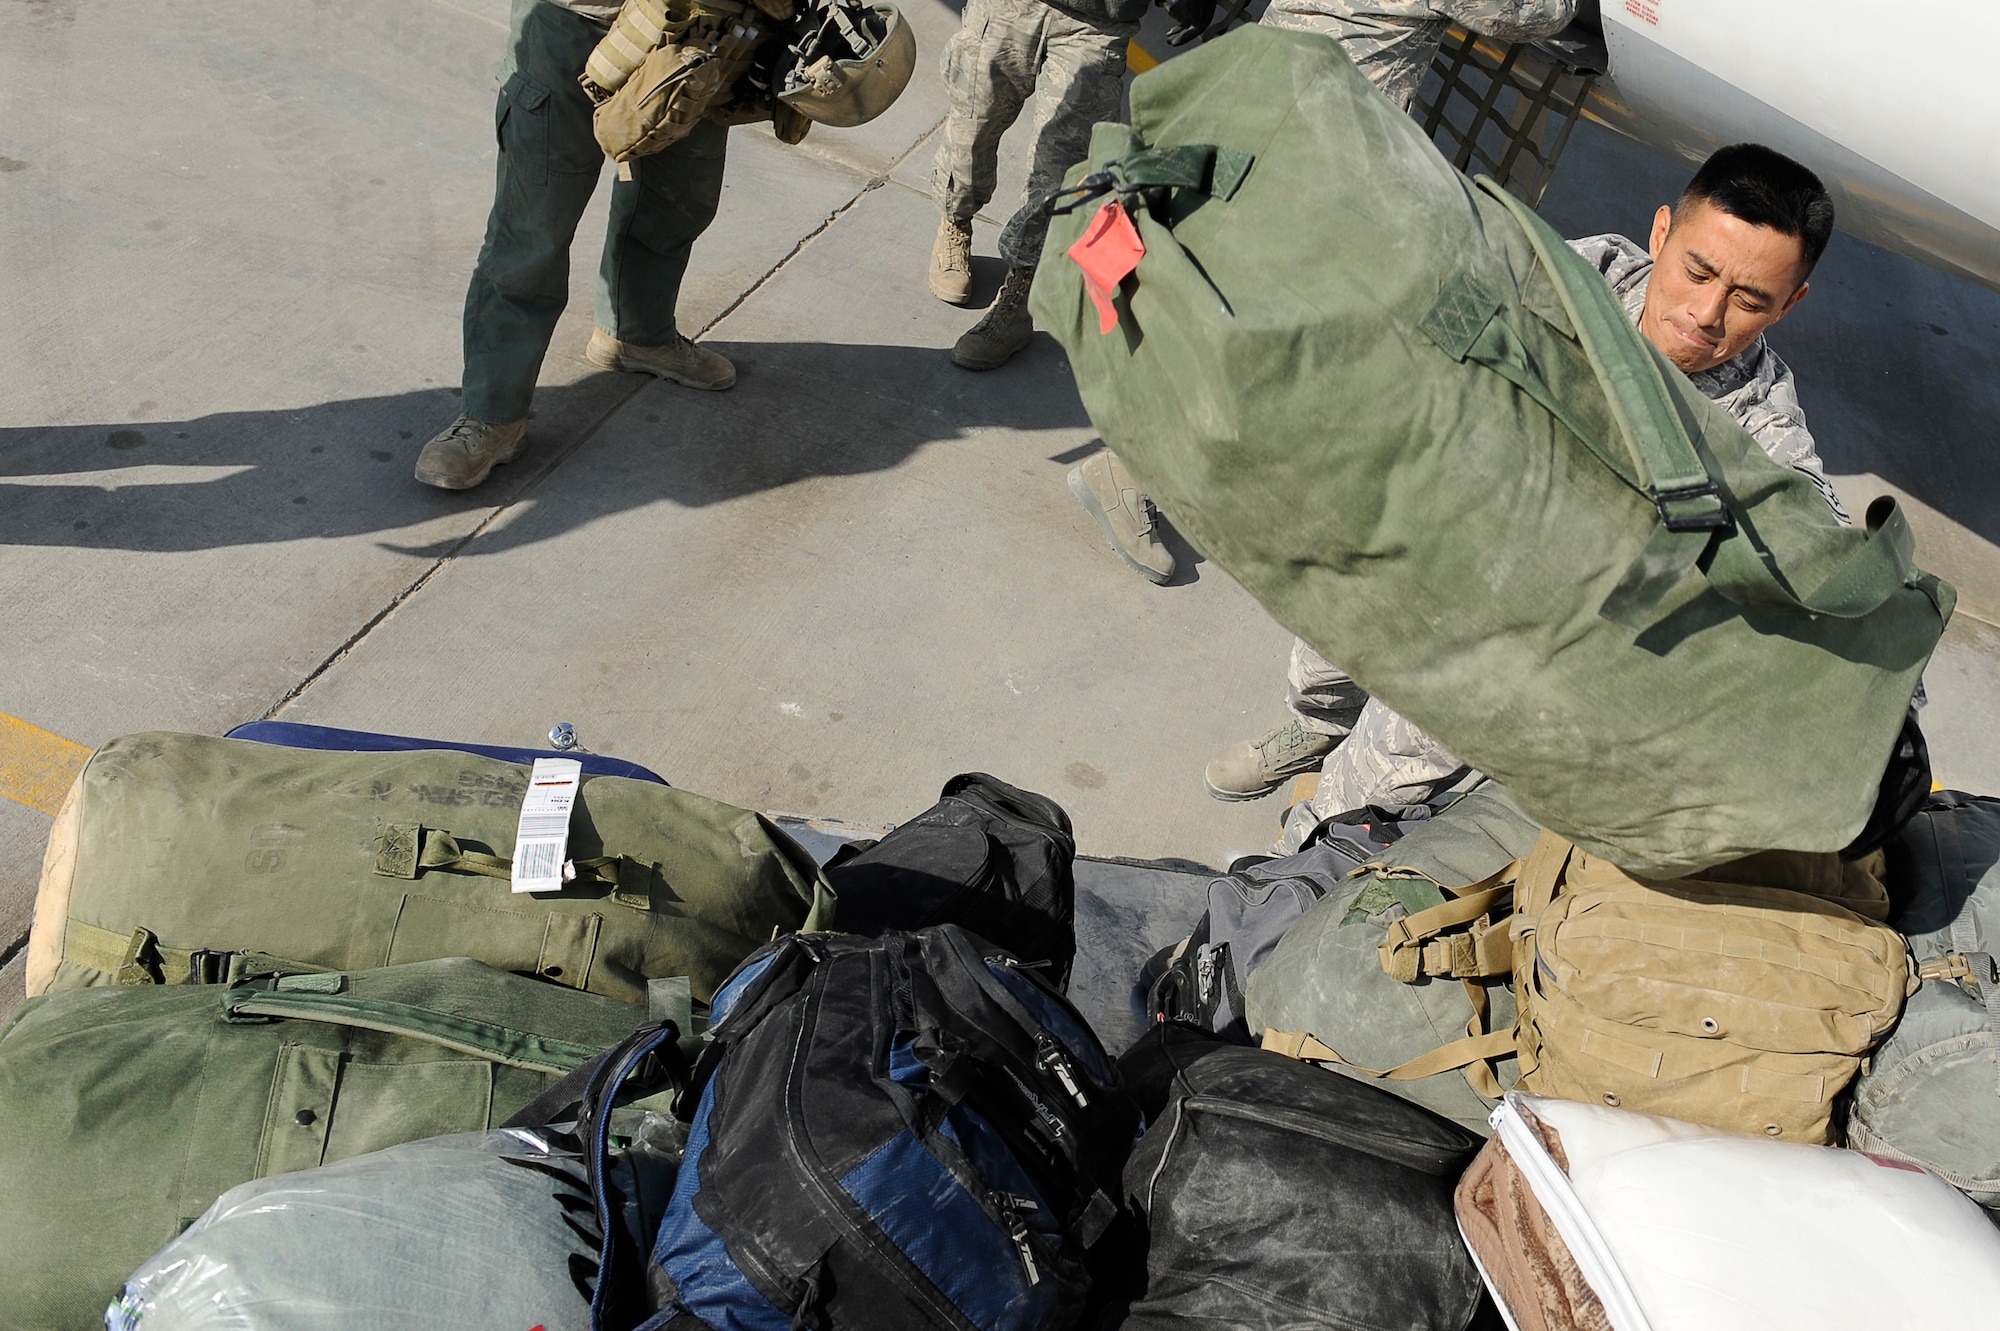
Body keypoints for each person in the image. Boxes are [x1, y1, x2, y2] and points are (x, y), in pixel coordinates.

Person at [1205, 143, 1847, 851]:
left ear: (1791, 304)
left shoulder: (1762, 425)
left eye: (1750, 300)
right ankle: (1317, 727)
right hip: (1427, 527)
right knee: (1327, 650)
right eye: (1697, 270)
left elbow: (1824, 551)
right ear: (1661, 232)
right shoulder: (1580, 275)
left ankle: (1289, 865)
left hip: (1507, 626)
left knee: (1384, 783)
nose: (1705, 313)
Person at [1066, 0, 1578, 581]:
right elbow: (1535, 14)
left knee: (1233, 305)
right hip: (1317, 153)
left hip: (1264, 107)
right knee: (1281, 337)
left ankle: (1156, 466)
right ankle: (1131, 474)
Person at [413, 0, 737, 491]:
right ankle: (492, 416)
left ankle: (636, 335)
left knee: (679, 199)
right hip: (575, 22)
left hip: (708, 27)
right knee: (531, 229)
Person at [926, 0, 1150, 374]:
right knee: (972, 126)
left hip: (1098, 21)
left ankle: (1022, 293)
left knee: (1060, 169)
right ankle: (955, 220)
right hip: (1009, 6)